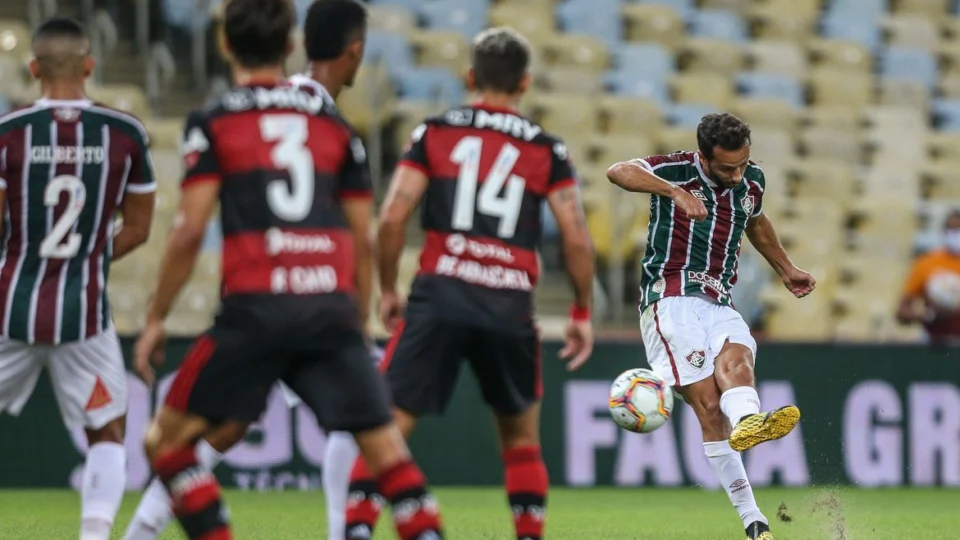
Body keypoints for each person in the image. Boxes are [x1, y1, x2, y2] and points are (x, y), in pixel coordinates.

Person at [132, 0, 444, 538]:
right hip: (322, 305)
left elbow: (191, 227)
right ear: (291, 45)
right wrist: (360, 315)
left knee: (185, 438)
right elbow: (361, 234)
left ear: (225, 44)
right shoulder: (329, 122)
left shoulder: (224, 116)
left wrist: (158, 315)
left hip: (259, 305)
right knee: (378, 448)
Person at [343, 27, 596, 540]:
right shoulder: (546, 149)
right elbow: (576, 238)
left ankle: (357, 530)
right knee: (520, 440)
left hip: (441, 292)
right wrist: (581, 311)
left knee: (387, 428)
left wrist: (388, 290)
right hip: (509, 302)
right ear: (524, 83)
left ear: (469, 77)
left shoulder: (435, 132)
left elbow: (391, 218)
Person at [606, 113, 815, 540]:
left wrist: (786, 268)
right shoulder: (675, 169)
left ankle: (749, 422)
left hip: (719, 300)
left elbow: (755, 221)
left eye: (742, 164)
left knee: (739, 361)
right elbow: (618, 171)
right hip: (670, 301)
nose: (737, 175)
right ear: (703, 157)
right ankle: (753, 519)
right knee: (710, 407)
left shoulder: (752, 180)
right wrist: (673, 192)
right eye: (726, 168)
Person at [0, 17, 156, 540]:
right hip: (84, 315)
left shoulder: (8, 133)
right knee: (106, 431)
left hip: (9, 308)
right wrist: (87, 255)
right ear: (89, 66)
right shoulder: (125, 134)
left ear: (33, 68)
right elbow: (140, 227)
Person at [897, 208, 960, 345]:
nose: (956, 234)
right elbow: (902, 311)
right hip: (934, 339)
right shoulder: (927, 263)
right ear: (944, 231)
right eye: (952, 229)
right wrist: (929, 315)